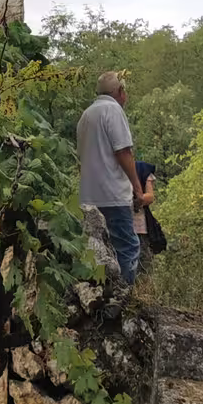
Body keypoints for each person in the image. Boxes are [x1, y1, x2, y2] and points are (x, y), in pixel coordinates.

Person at [77, 72, 149, 287]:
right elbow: (123, 152)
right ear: (120, 91)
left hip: (88, 196)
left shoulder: (86, 115)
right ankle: (124, 299)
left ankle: (102, 298)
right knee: (126, 247)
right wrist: (137, 189)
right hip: (113, 196)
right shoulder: (113, 110)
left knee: (97, 252)